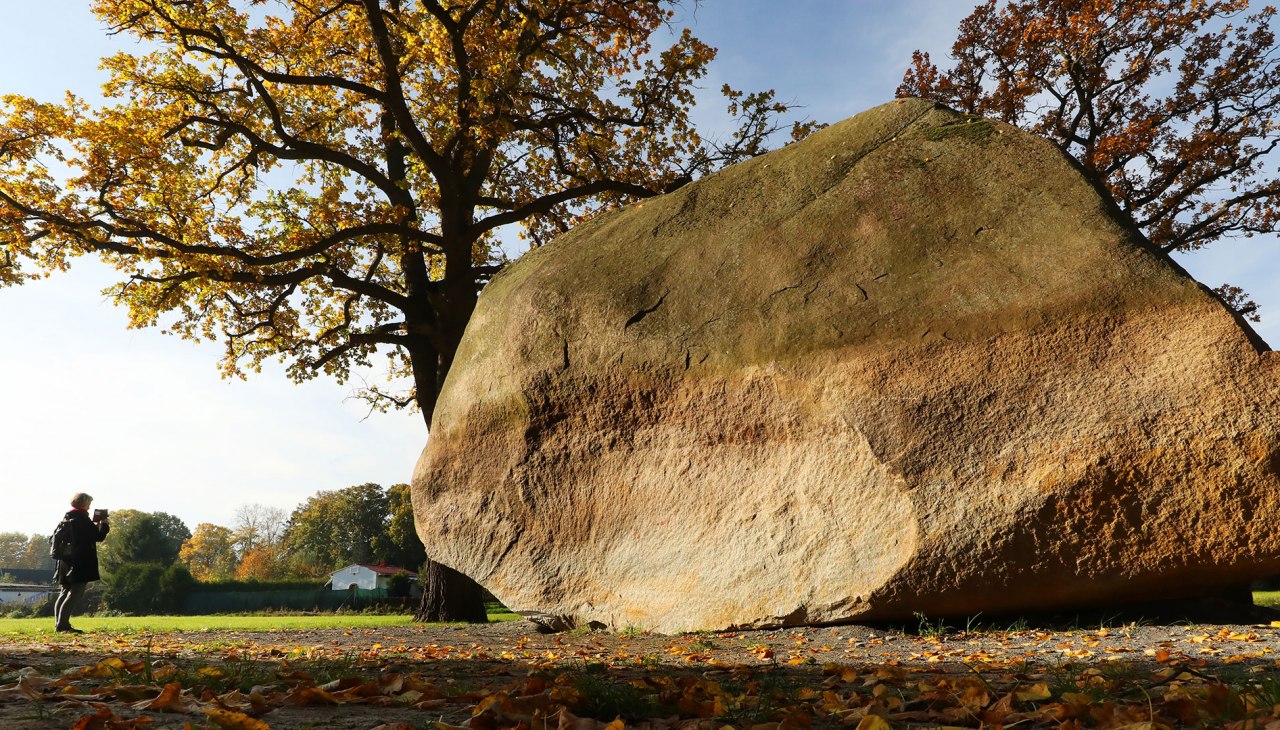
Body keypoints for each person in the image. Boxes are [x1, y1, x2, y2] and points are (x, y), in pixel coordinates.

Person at [53, 493, 109, 634]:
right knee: (76, 592)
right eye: (89, 503)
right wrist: (104, 525)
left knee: (64, 591)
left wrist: (94, 524)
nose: (89, 506)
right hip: (79, 560)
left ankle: (59, 624)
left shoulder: (67, 518)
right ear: (83, 503)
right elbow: (98, 537)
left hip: (65, 561)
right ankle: (63, 625)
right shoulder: (82, 519)